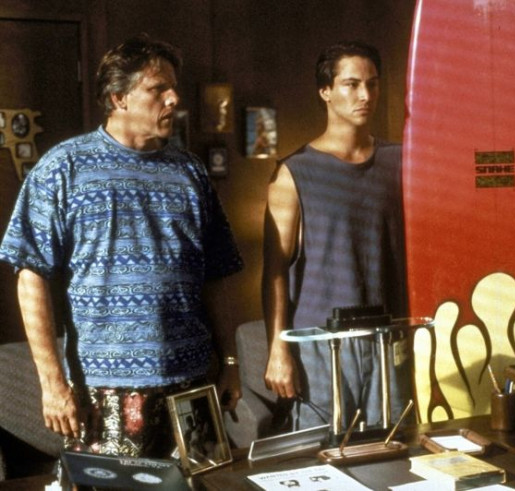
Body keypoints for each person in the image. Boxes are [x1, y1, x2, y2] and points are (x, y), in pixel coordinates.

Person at [0, 34, 243, 458]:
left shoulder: (190, 172)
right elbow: (30, 275)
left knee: (199, 486)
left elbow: (217, 275)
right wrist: (52, 383)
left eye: (173, 88)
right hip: (104, 388)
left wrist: (231, 363)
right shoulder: (62, 168)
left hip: (191, 382)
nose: (174, 98)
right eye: (158, 89)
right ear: (118, 98)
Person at [262, 41, 410, 430]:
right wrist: (278, 348)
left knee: (395, 448)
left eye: (372, 84)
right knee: (321, 456)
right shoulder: (293, 173)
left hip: (388, 337)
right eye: (352, 84)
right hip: (320, 343)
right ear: (325, 91)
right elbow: (274, 271)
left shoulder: (402, 161)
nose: (365, 95)